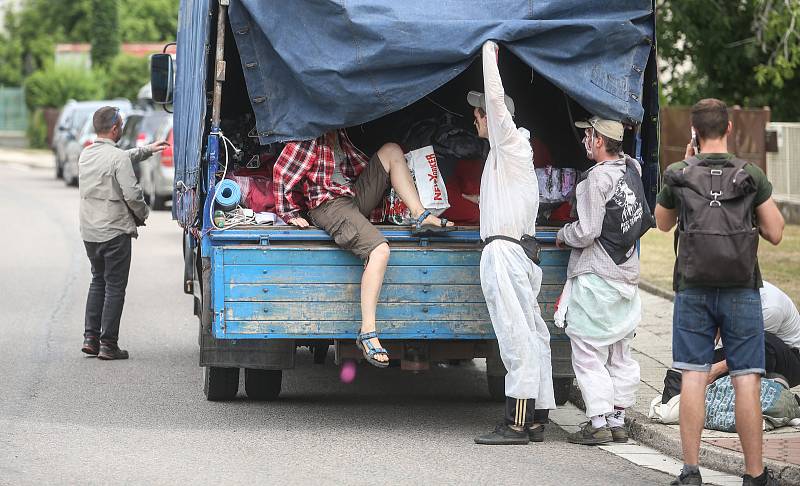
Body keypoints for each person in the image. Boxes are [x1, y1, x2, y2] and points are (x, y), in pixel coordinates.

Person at [655, 98, 785, 486]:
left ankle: (691, 472)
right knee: (747, 378)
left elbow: (662, 224)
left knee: (693, 375)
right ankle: (754, 475)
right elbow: (776, 232)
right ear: (729, 129)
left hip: (693, 289)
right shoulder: (751, 174)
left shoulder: (678, 172)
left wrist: (686, 163)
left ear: (694, 132)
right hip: (742, 288)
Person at [273, 130, 453, 368]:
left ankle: (420, 214)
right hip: (328, 205)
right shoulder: (310, 137)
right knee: (379, 250)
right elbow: (281, 173)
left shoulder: (340, 133)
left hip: (351, 197)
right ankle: (367, 332)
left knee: (391, 149)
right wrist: (289, 214)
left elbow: (356, 169)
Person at [470, 40, 555, 446]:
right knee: (534, 334)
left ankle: (516, 422)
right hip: (519, 251)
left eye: (479, 113)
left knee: (515, 334)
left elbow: (495, 97)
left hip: (505, 253)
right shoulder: (509, 157)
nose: (476, 118)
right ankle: (537, 416)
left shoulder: (509, 143)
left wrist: (489, 51)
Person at [554, 116, 650, 446]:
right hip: (626, 277)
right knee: (621, 352)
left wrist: (563, 234)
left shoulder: (594, 181)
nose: (583, 139)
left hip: (597, 277)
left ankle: (597, 423)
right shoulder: (632, 169)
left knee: (587, 352)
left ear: (598, 141)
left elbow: (587, 231)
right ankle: (617, 419)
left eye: (587, 135)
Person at [79, 106, 168, 360]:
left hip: (90, 232)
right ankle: (109, 345)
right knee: (115, 287)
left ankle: (91, 338)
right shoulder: (116, 158)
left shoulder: (85, 155)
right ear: (116, 129)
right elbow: (132, 193)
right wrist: (143, 214)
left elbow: (117, 158)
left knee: (98, 280)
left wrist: (147, 149)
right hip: (114, 232)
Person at [708, 281, 800, 387]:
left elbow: (752, 351)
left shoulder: (770, 309)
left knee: (761, 344)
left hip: (789, 362)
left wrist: (715, 370)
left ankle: (773, 383)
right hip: (751, 348)